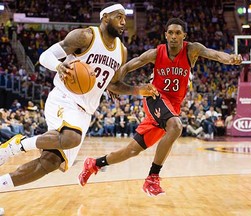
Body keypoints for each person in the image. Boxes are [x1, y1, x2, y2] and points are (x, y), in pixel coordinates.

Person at [0, 2, 158, 191]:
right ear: (105, 17)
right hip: (64, 98)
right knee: (71, 138)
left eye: (125, 18)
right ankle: (17, 145)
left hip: (85, 112)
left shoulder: (121, 51)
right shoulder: (86, 36)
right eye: (119, 17)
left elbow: (113, 84)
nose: (124, 22)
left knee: (50, 162)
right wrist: (58, 66)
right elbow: (45, 56)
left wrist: (138, 90)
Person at [78, 18, 242, 196]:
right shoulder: (156, 53)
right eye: (170, 33)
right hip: (154, 97)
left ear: (184, 36)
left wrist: (230, 58)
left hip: (171, 107)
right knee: (176, 126)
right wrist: (114, 83)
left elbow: (216, 54)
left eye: (177, 33)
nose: (173, 36)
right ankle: (152, 178)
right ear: (165, 35)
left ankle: (94, 164)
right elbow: (129, 66)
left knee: (131, 150)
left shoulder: (192, 50)